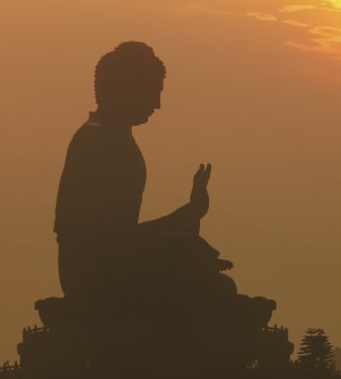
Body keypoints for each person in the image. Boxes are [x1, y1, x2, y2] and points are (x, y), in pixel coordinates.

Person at [54, 41, 232, 305]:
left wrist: (189, 214)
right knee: (214, 287)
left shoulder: (114, 138)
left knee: (215, 283)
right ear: (124, 88)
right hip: (93, 277)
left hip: (110, 264)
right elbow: (105, 244)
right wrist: (181, 239)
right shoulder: (98, 142)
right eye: (152, 91)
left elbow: (123, 236)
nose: (157, 104)